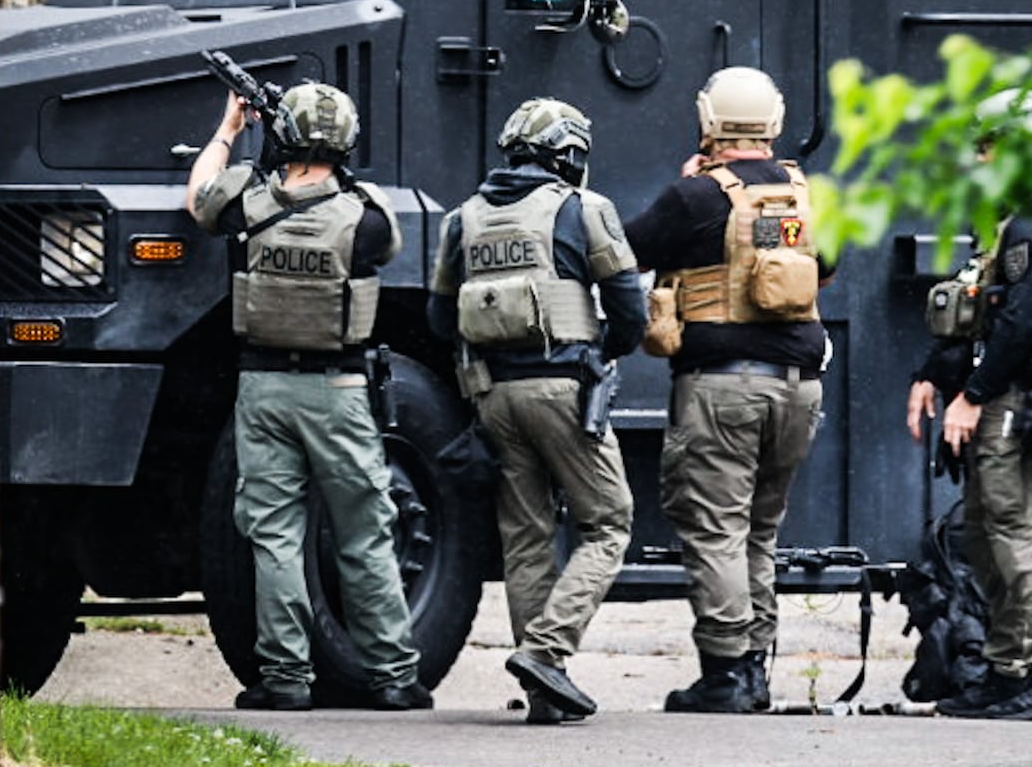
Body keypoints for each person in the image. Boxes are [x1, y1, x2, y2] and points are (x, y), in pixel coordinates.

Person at [185, 82, 430, 712]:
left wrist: (230, 128)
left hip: (264, 389)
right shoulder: (368, 217)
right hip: (341, 391)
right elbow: (380, 245)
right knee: (366, 532)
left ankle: (287, 681)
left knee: (274, 537)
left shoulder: (247, 200)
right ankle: (395, 677)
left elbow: (198, 200)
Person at [427, 98, 645, 725]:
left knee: (526, 537)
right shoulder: (583, 209)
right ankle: (546, 652)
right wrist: (606, 351)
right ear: (569, 155)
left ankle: (544, 693)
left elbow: (441, 318)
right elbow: (629, 305)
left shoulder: (462, 219)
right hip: (565, 391)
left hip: (492, 396)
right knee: (609, 523)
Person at [624, 67, 830, 714]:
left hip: (723, 389)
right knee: (759, 532)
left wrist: (691, 186)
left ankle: (725, 672)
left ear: (710, 121)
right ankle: (755, 672)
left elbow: (625, 248)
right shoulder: (806, 196)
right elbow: (824, 263)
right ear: (772, 121)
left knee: (715, 529)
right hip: (799, 389)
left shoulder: (696, 197)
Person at [905, 88, 1032, 721]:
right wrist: (937, 374)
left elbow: (1018, 324)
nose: (981, 160)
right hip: (1016, 390)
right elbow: (980, 307)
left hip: (1020, 396)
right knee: (985, 533)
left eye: (988, 147)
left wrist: (973, 396)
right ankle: (1009, 667)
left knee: (1016, 533)